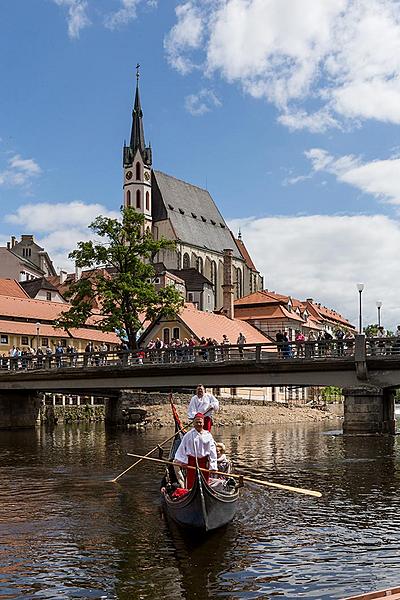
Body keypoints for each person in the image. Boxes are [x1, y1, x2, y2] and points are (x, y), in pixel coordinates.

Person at [174, 412, 217, 489]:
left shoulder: (208, 435)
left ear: (203, 423)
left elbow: (213, 451)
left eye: (200, 422)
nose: (198, 424)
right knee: (191, 482)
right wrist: (182, 461)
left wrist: (213, 466)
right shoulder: (188, 435)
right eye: (197, 422)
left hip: (204, 463)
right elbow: (182, 449)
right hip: (191, 463)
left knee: (204, 482)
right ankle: (190, 491)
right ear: (193, 423)